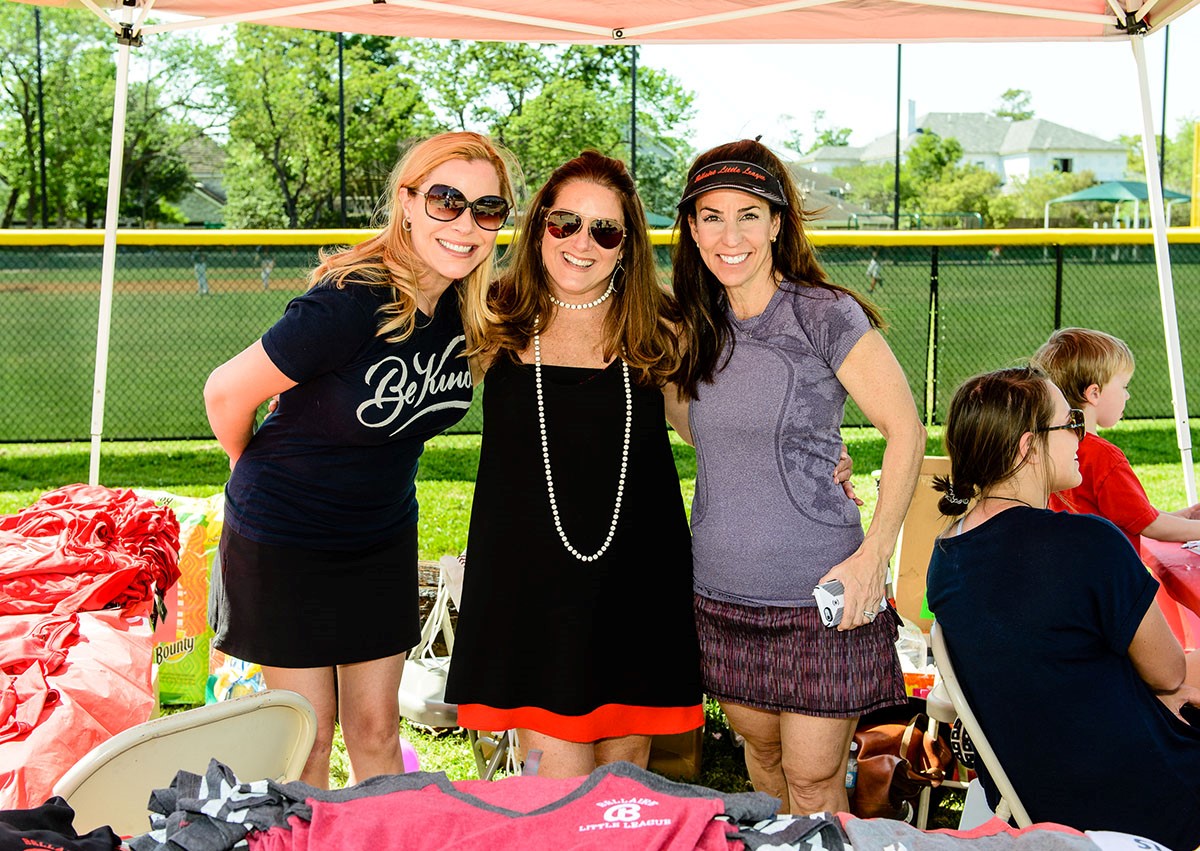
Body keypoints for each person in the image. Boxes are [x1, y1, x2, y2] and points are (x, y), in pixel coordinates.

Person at [203, 131, 517, 789]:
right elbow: (226, 391)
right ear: (406, 201)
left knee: (376, 732)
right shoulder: (348, 301)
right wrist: (242, 461)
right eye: (445, 200)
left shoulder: (469, 311)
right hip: (287, 539)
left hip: (379, 540)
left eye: (487, 209)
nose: (465, 224)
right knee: (309, 743)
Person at [670, 139, 926, 815]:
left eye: (749, 215)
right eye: (713, 217)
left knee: (813, 781)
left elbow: (908, 430)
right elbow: (700, 430)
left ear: (779, 222)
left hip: (818, 600)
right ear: (692, 229)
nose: (731, 235)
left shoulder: (823, 312)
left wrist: (875, 557)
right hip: (721, 596)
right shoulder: (692, 325)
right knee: (762, 762)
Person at [443, 150, 706, 780]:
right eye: (564, 223)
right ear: (538, 228)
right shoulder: (490, 315)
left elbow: (713, 432)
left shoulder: (659, 325)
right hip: (535, 597)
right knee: (558, 803)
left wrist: (811, 452)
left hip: (638, 590)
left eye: (604, 231)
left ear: (626, 247)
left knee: (625, 800)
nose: (580, 242)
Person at [926, 366, 1200, 850]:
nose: (1080, 436)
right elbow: (1168, 673)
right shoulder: (1085, 543)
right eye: (1069, 423)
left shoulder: (947, 554)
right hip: (1133, 799)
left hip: (1031, 796)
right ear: (1027, 446)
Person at [1031, 326, 1200, 552]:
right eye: (1124, 386)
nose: (1127, 395)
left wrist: (1185, 517)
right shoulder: (1102, 455)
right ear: (1094, 393)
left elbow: (1130, 514)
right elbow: (1149, 525)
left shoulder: (1048, 446)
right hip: (1109, 579)